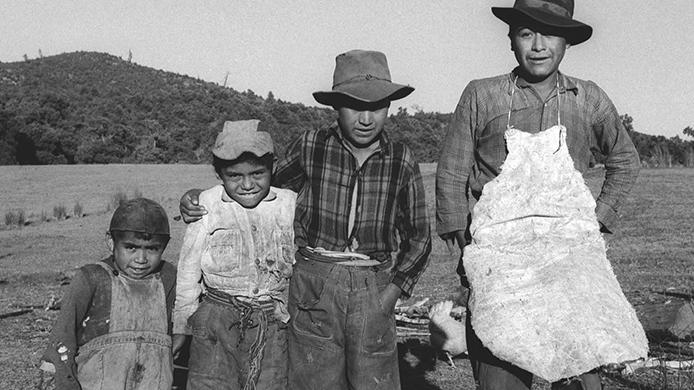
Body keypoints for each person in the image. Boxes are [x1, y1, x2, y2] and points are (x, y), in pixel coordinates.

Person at [180, 49, 432, 389]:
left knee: (375, 379)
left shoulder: (401, 159)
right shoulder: (313, 146)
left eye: (377, 107)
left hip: (373, 282)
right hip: (314, 281)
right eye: (356, 105)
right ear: (336, 106)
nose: (366, 118)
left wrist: (391, 293)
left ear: (390, 107)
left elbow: (419, 236)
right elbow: (258, 190)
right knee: (314, 378)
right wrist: (203, 198)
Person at [436, 1, 642, 389]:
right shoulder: (483, 96)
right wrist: (471, 253)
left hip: (569, 265)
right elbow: (450, 175)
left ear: (567, 41)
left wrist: (593, 224)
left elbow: (626, 161)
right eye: (527, 33)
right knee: (502, 374)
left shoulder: (588, 98)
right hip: (502, 265)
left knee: (579, 374)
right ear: (511, 39)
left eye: (549, 33)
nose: (538, 45)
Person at [172, 119, 296, 390]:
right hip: (216, 320)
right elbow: (188, 271)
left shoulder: (289, 204)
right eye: (235, 176)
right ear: (219, 173)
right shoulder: (206, 205)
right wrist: (181, 326)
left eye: (258, 174)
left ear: (273, 167)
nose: (248, 184)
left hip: (272, 321)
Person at [39, 198, 176, 390]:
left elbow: (180, 334)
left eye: (152, 249)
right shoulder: (91, 278)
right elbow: (63, 337)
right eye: (131, 247)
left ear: (164, 246)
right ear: (111, 242)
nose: (141, 259)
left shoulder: (168, 278)